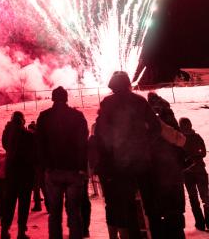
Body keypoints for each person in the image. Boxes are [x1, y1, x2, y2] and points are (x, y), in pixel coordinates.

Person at [95, 71, 161, 239]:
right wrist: (145, 143)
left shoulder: (108, 103)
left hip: (121, 163)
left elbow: (101, 133)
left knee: (129, 205)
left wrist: (110, 152)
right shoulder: (139, 101)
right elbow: (155, 127)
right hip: (142, 160)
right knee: (151, 204)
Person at [36, 86, 88, 239]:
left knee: (54, 213)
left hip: (53, 171)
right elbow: (83, 144)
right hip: (74, 171)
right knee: (74, 212)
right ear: (66, 98)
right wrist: (82, 168)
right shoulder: (77, 116)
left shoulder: (44, 117)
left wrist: (45, 167)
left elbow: (39, 144)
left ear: (53, 98)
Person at [147, 92, 186, 238]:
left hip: (158, 174)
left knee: (163, 216)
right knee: (175, 216)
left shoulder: (151, 121)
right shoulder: (169, 119)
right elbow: (180, 141)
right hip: (172, 172)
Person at [0, 111, 36, 239]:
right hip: (25, 173)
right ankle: (21, 232)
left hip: (10, 172)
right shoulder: (27, 135)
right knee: (24, 203)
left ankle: (4, 229)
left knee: (9, 202)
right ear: (22, 121)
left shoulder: (7, 134)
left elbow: (5, 146)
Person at [179, 117, 208, 231]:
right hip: (200, 171)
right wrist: (197, 155)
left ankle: (200, 224)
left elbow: (178, 157)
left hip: (188, 173)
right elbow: (204, 153)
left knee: (193, 198)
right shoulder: (197, 137)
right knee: (205, 198)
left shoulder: (180, 140)